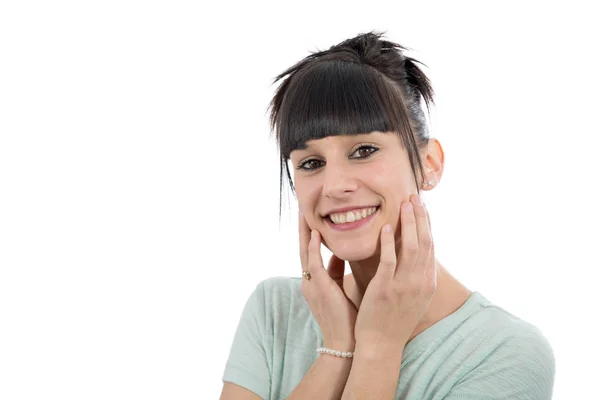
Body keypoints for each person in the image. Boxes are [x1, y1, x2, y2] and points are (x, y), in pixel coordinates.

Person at [219, 31, 555, 400]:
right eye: (311, 163)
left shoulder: (505, 353)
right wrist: (338, 347)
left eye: (363, 150)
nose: (334, 186)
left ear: (428, 164)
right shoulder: (275, 310)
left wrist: (379, 346)